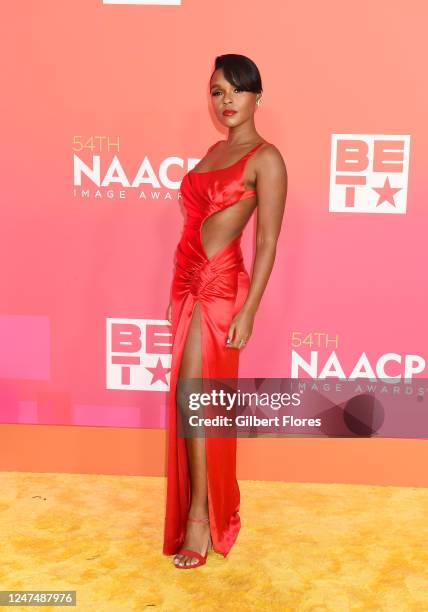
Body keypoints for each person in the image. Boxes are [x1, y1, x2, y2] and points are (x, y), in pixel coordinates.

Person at [163, 53, 288, 569]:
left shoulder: (267, 158)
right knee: (185, 400)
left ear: (259, 95)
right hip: (186, 283)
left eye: (237, 90)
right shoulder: (213, 150)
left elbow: (269, 241)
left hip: (220, 288)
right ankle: (209, 504)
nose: (227, 100)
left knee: (197, 400)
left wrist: (250, 309)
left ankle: (201, 515)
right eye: (217, 92)